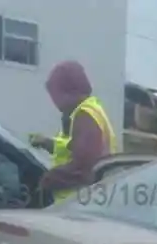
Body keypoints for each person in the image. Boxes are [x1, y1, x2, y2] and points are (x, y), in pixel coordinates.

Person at [34, 61, 116, 203]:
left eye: (56, 95)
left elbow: (83, 168)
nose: (55, 102)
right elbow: (73, 148)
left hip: (80, 207)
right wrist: (49, 144)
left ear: (69, 91)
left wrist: (49, 179)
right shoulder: (87, 111)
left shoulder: (85, 116)